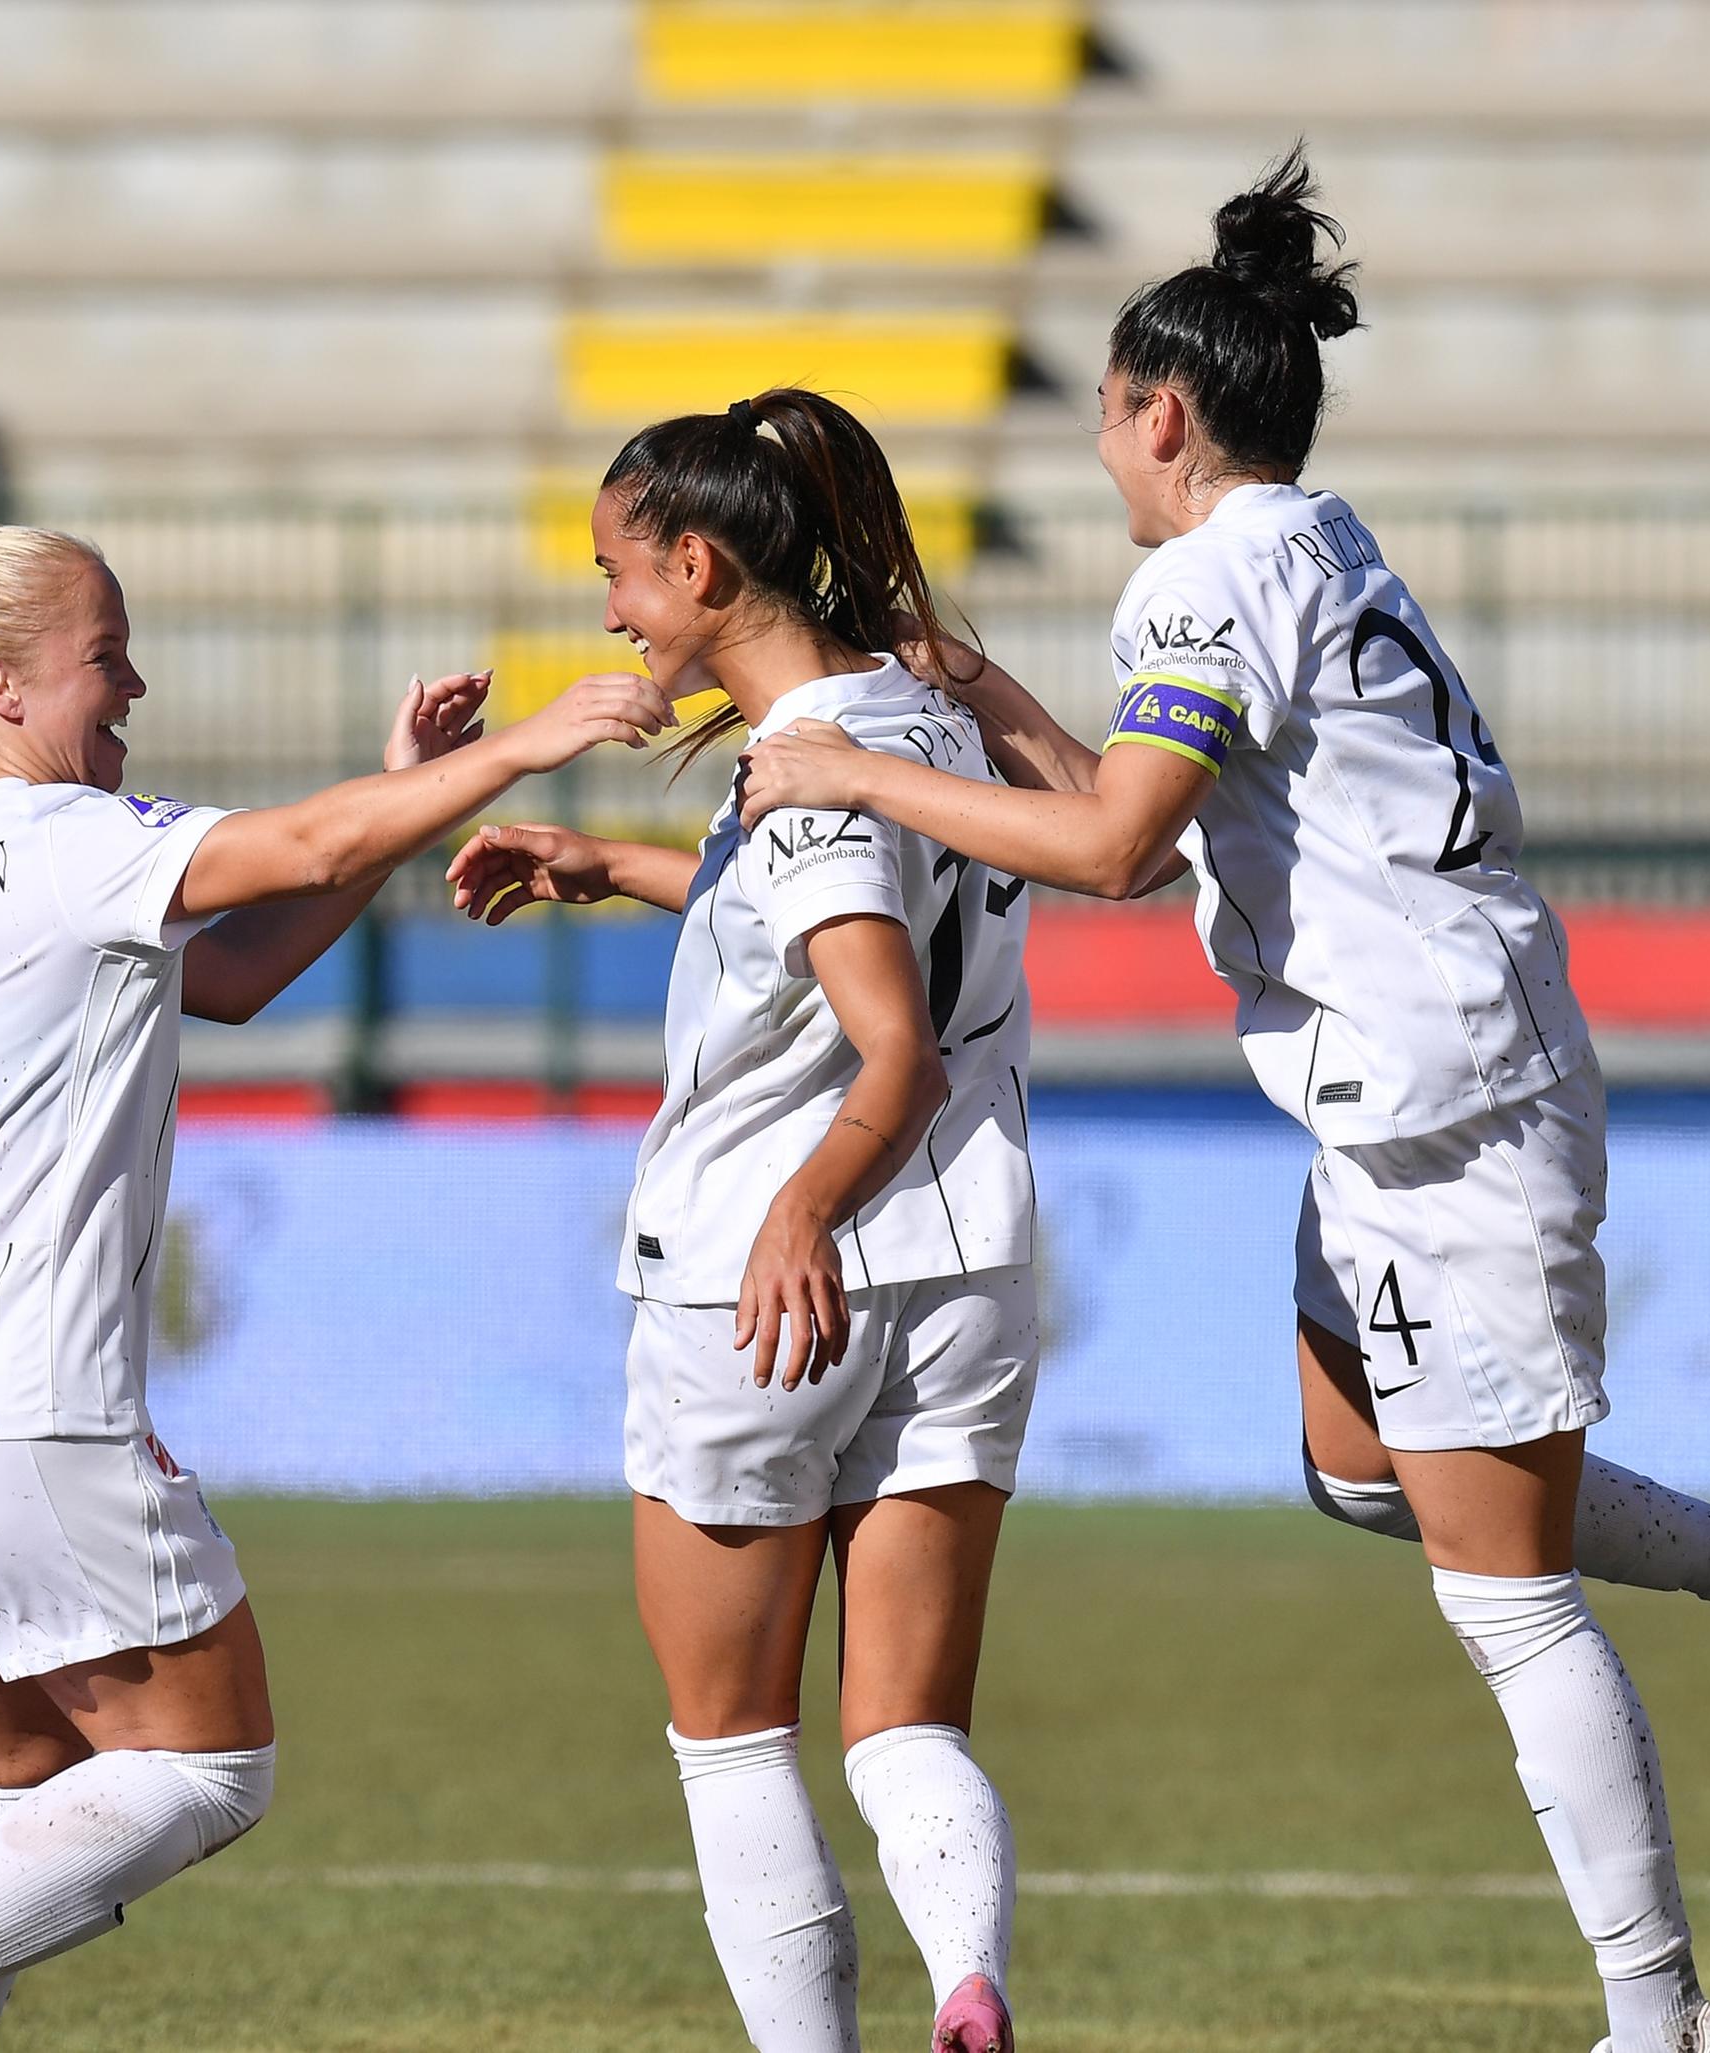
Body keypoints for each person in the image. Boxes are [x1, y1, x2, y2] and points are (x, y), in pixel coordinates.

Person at [738, 157, 1710, 2053]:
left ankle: (1666, 2023)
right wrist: (957, 684)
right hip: (1410, 1089)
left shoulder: (1198, 583)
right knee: (1364, 1473)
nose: (1101, 451)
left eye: (1108, 416)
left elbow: (1113, 847)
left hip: (1449, 1111)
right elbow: (1155, 791)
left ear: (1165, 414)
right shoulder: (1306, 546)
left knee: (1503, 1596)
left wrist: (856, 781)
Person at [0, 523, 673, 2053]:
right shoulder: (61, 837)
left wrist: (386, 801)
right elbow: (295, 852)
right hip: (17, 1398)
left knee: (25, 1794)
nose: (136, 684)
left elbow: (231, 969)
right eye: (107, 657)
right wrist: (524, 746)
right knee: (209, 1766)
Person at [443, 389, 1036, 2053]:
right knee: (906, 1718)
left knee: (732, 1734)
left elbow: (889, 1035)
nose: (612, 610)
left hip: (769, 1283)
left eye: (621, 573)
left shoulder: (811, 766)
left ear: (699, 564)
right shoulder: (917, 714)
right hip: (969, 1265)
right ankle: (970, 1975)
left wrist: (799, 1206)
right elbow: (828, 917)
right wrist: (614, 867)